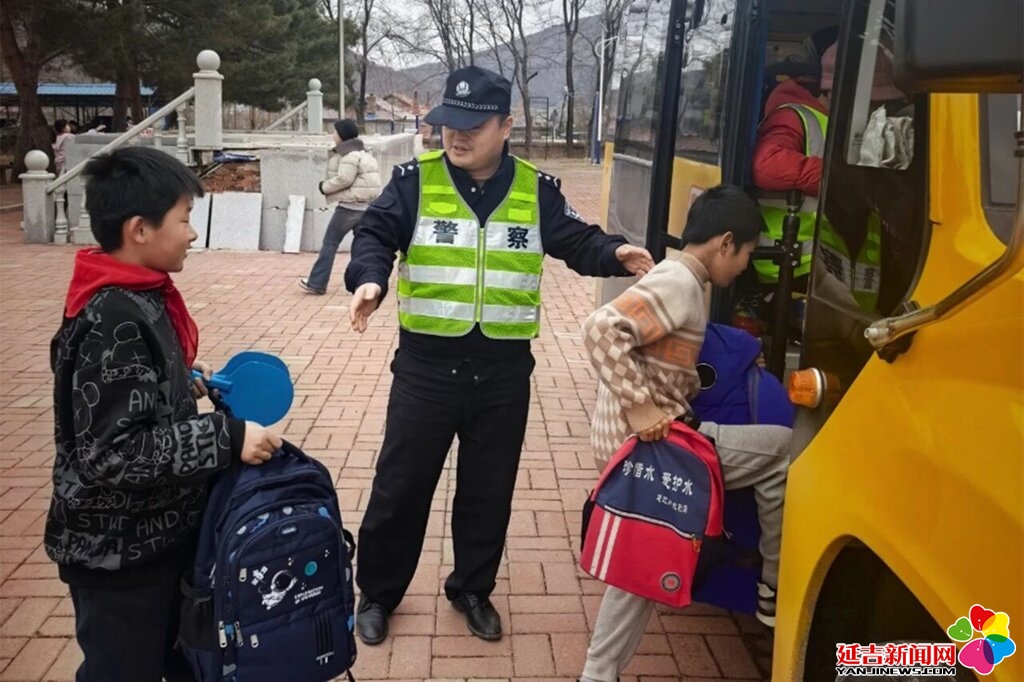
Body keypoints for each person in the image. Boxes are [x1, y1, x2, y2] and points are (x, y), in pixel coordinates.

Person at [345, 65, 655, 645]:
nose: (456, 136)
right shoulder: (414, 182)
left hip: (503, 373)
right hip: (426, 370)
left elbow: (576, 239)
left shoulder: (536, 189)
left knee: (489, 489)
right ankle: (379, 592)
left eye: (472, 126)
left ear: (506, 127)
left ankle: (471, 588)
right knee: (400, 486)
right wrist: (369, 279)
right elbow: (374, 235)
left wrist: (614, 252)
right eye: (448, 125)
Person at [46, 146, 283, 682]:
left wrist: (179, 381)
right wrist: (227, 437)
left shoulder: (138, 295)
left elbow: (125, 394)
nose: (193, 233)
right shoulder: (114, 317)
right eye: (184, 219)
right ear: (140, 230)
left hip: (157, 539)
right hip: (119, 556)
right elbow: (113, 453)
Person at [578, 186, 793, 682]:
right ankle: (772, 585)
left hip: (642, 445)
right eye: (746, 252)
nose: (745, 265)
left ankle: (598, 673)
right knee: (782, 449)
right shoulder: (679, 280)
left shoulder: (682, 280)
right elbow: (599, 329)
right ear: (725, 242)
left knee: (643, 562)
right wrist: (643, 408)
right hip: (653, 446)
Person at [751, 41, 903, 291]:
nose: (875, 109)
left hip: (837, 270)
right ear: (838, 92)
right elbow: (766, 164)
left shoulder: (848, 128)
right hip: (792, 270)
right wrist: (840, 178)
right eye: (872, 100)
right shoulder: (794, 116)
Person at [299, 119, 381, 294]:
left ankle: (316, 283)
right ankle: (364, 283)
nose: (333, 135)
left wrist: (324, 187)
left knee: (330, 243)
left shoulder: (348, 156)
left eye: (335, 132)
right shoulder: (365, 154)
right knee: (362, 246)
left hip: (349, 208)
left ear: (342, 135)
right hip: (366, 207)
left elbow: (344, 179)